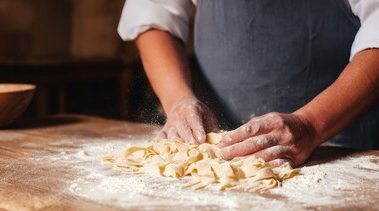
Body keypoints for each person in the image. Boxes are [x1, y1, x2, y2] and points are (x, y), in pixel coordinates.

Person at [117, 0, 379, 167]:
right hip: (220, 150)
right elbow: (152, 13)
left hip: (340, 146)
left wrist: (312, 125)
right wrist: (179, 100)